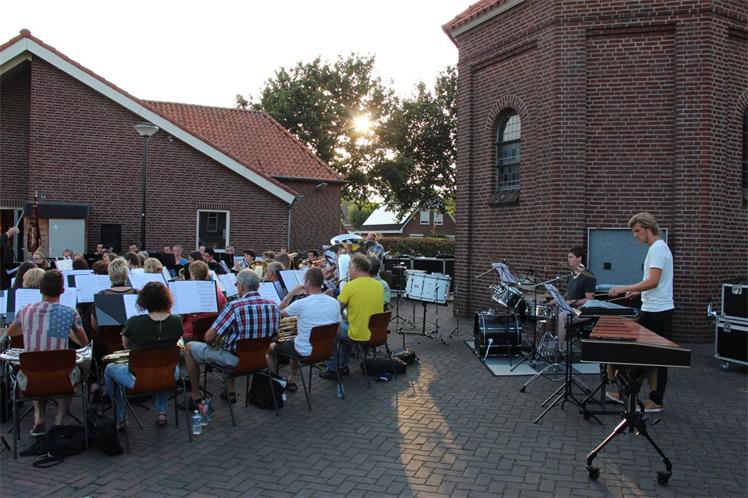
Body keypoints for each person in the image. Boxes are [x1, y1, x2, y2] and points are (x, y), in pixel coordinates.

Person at [7, 270, 89, 435]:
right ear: (62, 291)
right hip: (61, 378)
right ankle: (59, 418)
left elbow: (10, 332)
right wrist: (68, 331)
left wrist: (30, 328)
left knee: (35, 365)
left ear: (40, 289)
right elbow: (84, 343)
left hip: (31, 380)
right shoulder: (70, 313)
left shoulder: (25, 310)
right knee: (73, 369)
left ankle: (39, 416)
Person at [183, 270, 279, 406]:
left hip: (235, 362)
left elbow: (208, 338)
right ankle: (230, 391)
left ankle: (195, 397)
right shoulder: (273, 305)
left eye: (236, 285)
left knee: (189, 347)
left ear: (241, 286)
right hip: (261, 359)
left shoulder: (234, 307)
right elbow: (275, 337)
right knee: (231, 344)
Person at [609, 212, 674, 413]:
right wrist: (637, 291)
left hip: (657, 312)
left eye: (637, 231)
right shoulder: (657, 248)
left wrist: (624, 287)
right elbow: (654, 283)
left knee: (652, 357)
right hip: (653, 309)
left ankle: (653, 400)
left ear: (648, 228)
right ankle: (628, 392)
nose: (635, 235)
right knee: (645, 356)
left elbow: (653, 281)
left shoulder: (657, 249)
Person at [103, 282, 182, 429]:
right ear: (167, 300)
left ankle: (121, 416)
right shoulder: (177, 320)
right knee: (164, 364)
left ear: (144, 301)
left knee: (109, 369)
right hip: (169, 376)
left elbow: (126, 346)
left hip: (139, 379)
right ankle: (162, 411)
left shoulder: (134, 322)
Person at [267, 267, 341, 391]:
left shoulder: (301, 304)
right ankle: (292, 380)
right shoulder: (334, 302)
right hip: (327, 350)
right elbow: (337, 331)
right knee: (295, 340)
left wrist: (290, 294)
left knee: (271, 347)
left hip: (305, 352)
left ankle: (274, 385)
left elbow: (277, 313)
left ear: (308, 282)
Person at [320, 254, 384, 379]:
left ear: (356, 268)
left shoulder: (350, 286)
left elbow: (336, 310)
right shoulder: (379, 285)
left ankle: (332, 368)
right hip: (375, 334)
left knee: (328, 330)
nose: (348, 271)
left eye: (349, 268)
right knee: (346, 326)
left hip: (359, 334)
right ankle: (343, 365)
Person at [556, 247, 596, 343]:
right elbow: (568, 294)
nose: (568, 260)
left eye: (571, 257)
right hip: (571, 308)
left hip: (581, 311)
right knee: (554, 310)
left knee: (561, 316)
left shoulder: (588, 277)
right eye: (568, 257)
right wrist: (557, 299)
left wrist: (573, 302)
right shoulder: (571, 275)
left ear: (579, 258)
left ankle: (559, 347)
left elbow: (589, 299)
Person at [181, 261, 227, 341]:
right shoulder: (218, 290)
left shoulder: (188, 292)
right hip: (212, 333)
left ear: (193, 274)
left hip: (191, 335)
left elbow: (181, 317)